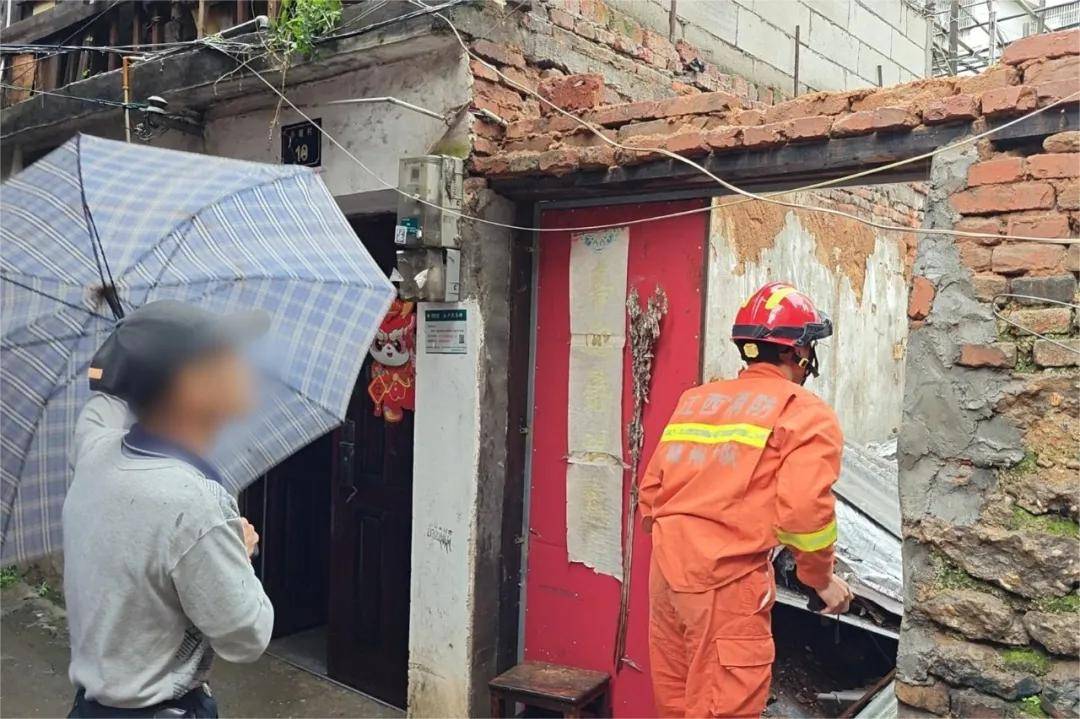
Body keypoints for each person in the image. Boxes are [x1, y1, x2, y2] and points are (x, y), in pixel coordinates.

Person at [639, 281, 854, 719]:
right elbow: (804, 515)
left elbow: (651, 493)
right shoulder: (804, 413)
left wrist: (688, 546)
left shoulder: (696, 402)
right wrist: (820, 578)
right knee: (724, 708)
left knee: (676, 705)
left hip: (666, 580)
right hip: (727, 585)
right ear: (799, 352)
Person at [62, 300, 275, 718]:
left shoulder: (95, 452)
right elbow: (247, 636)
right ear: (189, 388)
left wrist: (128, 347)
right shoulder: (195, 506)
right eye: (224, 358)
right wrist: (239, 553)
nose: (245, 366)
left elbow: (101, 405)